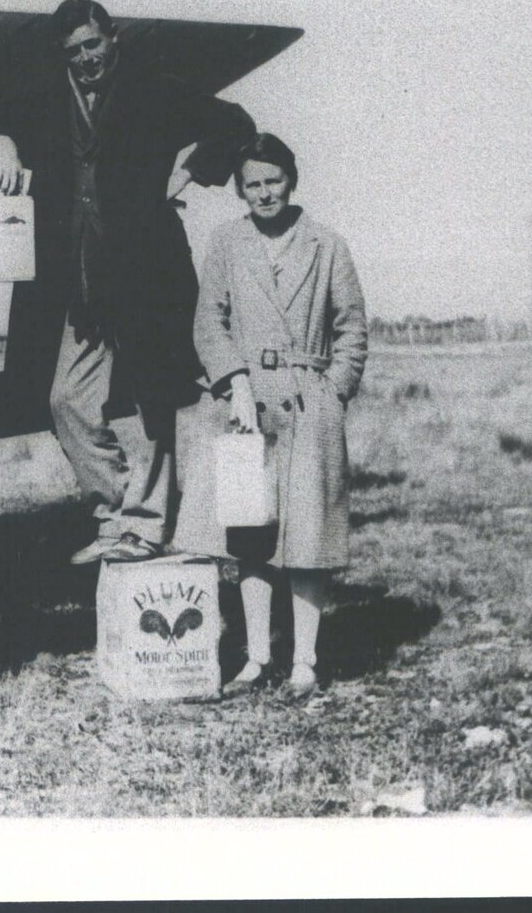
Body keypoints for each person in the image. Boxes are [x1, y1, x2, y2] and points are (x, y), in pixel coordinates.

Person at [0, 0, 258, 565]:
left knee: (158, 400)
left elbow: (234, 123)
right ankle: (113, 510)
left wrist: (188, 173)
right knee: (64, 401)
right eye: (74, 52)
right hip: (76, 285)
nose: (86, 59)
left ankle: (146, 525)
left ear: (113, 38)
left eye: (93, 45)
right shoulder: (43, 98)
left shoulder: (155, 88)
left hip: (145, 275)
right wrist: (4, 144)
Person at [184, 132, 367, 694]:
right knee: (249, 536)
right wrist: (234, 380)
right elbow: (208, 322)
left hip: (308, 404)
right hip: (245, 408)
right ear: (240, 190)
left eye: (273, 181)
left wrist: (331, 393)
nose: (264, 193)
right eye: (252, 184)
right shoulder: (224, 243)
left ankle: (305, 663)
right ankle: (258, 657)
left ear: (292, 179)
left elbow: (352, 329)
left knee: (308, 539)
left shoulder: (327, 244)